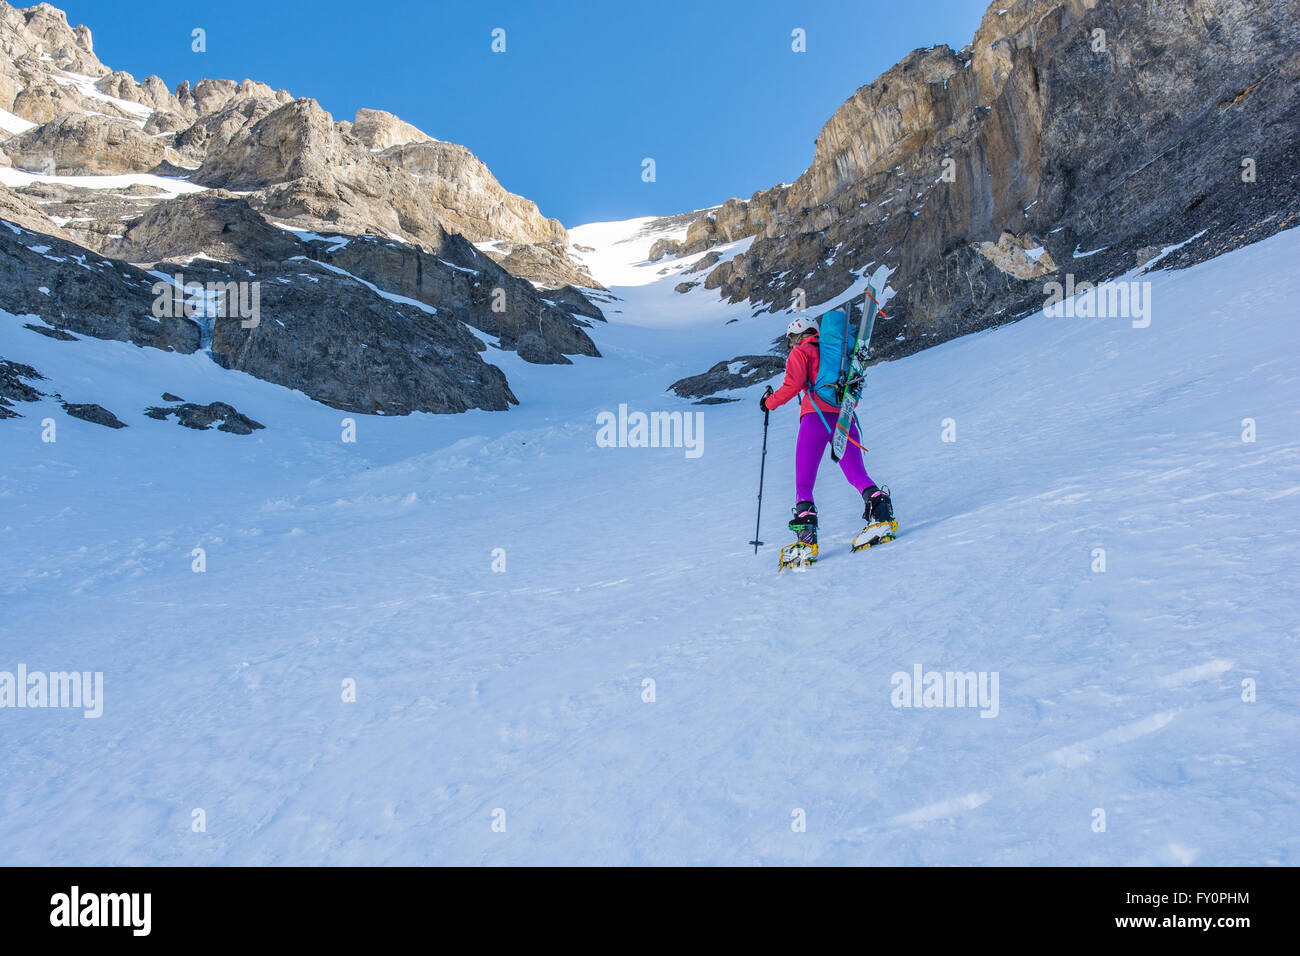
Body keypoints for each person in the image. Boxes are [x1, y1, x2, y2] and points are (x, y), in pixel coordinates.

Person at [759, 314, 893, 542]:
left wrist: (769, 403)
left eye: (792, 338)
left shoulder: (801, 352)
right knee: (858, 474)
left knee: (804, 481)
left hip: (815, 419)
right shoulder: (840, 354)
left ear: (798, 335)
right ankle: (881, 513)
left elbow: (792, 385)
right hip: (845, 418)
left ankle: (806, 536)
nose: (792, 343)